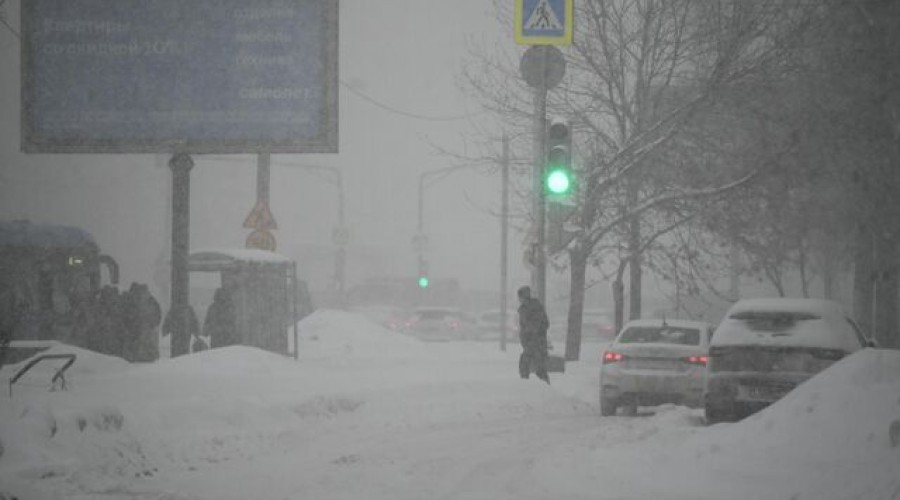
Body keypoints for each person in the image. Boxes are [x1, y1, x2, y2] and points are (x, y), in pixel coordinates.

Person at [517, 285, 550, 384]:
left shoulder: (535, 308)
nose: (519, 299)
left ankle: (530, 385)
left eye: (520, 297)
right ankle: (531, 384)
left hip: (536, 342)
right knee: (532, 365)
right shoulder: (525, 308)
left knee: (531, 365)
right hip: (531, 342)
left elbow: (541, 324)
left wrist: (530, 333)